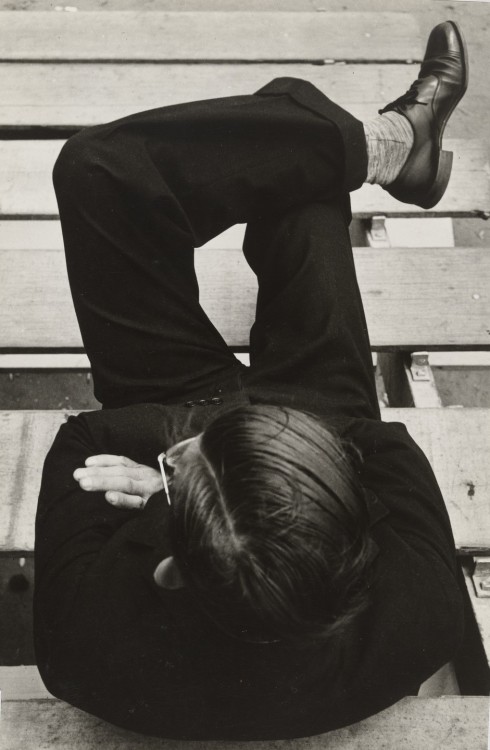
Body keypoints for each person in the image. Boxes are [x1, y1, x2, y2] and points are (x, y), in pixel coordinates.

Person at [35, 21, 470, 741]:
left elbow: (90, 435)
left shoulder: (85, 643)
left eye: (181, 477)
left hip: (190, 416)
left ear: (172, 570)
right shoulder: (419, 613)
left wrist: (182, 479)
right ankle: (389, 146)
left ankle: (382, 143)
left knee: (95, 167)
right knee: (296, 184)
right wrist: (245, 464)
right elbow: (383, 447)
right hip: (321, 422)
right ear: (351, 528)